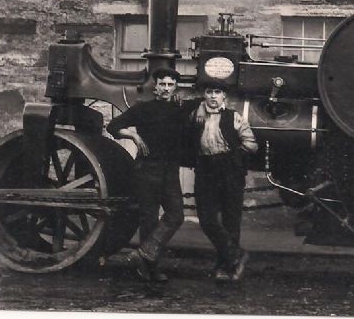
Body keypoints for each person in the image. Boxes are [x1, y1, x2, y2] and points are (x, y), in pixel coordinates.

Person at [106, 67, 198, 282]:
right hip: (147, 169)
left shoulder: (180, 108)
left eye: (170, 84)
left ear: (176, 87)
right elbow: (113, 126)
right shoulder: (142, 109)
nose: (166, 88)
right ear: (155, 87)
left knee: (176, 215)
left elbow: (203, 100)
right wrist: (134, 137)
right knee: (148, 218)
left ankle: (143, 255)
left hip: (170, 169)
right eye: (162, 84)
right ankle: (149, 269)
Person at [191, 83, 258, 282]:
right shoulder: (195, 115)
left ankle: (226, 266)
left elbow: (252, 145)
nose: (213, 96)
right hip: (205, 168)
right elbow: (182, 106)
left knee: (231, 220)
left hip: (229, 170)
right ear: (204, 94)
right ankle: (236, 254)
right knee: (207, 219)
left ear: (224, 96)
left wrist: (234, 158)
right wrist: (200, 107)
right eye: (209, 92)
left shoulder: (234, 117)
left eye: (217, 92)